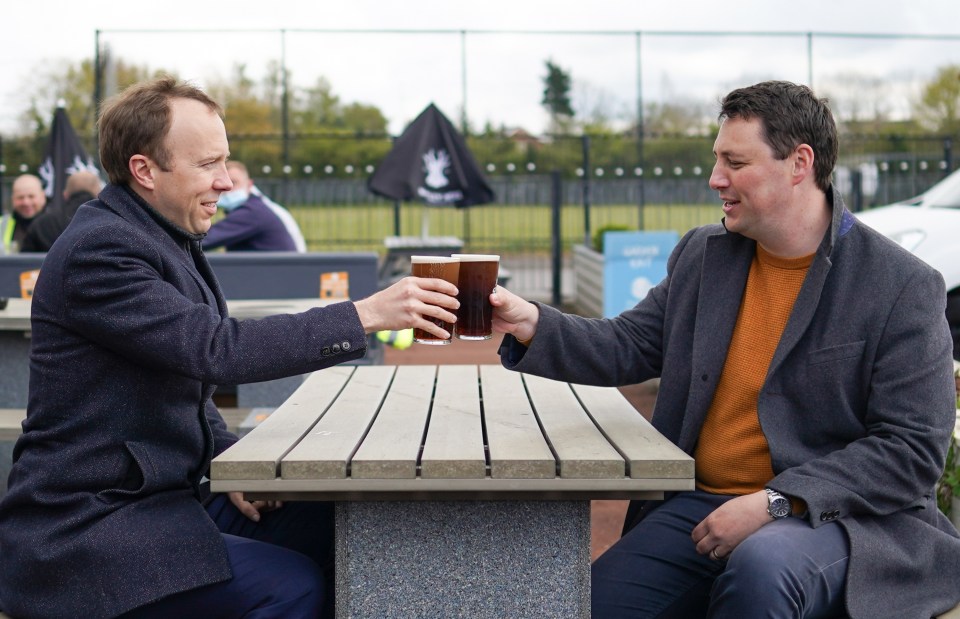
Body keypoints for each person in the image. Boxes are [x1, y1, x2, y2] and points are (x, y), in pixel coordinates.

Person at [490, 80, 960, 618]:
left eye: (735, 162)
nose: (716, 179)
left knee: (762, 568)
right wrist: (529, 321)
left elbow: (911, 450)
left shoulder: (901, 284)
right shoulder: (703, 254)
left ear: (799, 163)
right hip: (702, 508)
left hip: (837, 519)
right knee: (589, 605)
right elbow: (629, 344)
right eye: (717, 160)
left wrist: (776, 502)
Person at [0, 77, 459, 619]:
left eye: (226, 161)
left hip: (169, 498)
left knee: (349, 527)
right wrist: (368, 314)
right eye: (207, 164)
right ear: (144, 170)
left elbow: (185, 381)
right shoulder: (101, 250)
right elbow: (216, 350)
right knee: (292, 586)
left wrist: (229, 464)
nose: (225, 181)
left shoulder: (157, 231)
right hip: (90, 526)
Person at [202, 160, 307, 252]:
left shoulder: (251, 213)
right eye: (221, 183)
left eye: (234, 182)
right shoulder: (256, 207)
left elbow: (204, 241)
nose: (227, 187)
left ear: (249, 185)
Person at [20, 169, 104, 252]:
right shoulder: (107, 221)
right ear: (99, 194)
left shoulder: (41, 224)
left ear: (65, 194)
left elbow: (24, 262)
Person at [0, 174, 47, 253]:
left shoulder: (55, 225)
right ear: (13, 199)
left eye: (31, 196)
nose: (26, 202)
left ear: (42, 197)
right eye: (20, 197)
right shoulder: (1, 224)